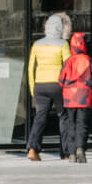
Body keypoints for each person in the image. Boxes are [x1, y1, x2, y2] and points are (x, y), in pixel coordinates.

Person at [25, 13, 70, 161]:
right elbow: (68, 67)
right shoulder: (63, 44)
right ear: (60, 28)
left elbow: (31, 67)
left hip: (40, 85)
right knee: (63, 117)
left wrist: (33, 88)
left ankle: (32, 148)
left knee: (40, 117)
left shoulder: (37, 44)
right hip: (58, 85)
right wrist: (67, 87)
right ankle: (65, 153)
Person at [58, 32, 92, 164]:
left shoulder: (68, 61)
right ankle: (80, 148)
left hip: (70, 98)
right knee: (82, 124)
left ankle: (71, 154)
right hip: (84, 97)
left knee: (71, 124)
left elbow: (60, 80)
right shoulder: (89, 60)